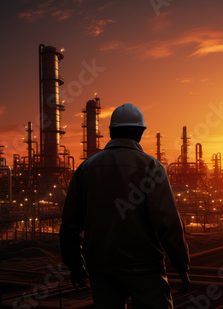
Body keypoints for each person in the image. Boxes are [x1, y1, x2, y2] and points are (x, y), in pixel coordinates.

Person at [60, 103, 190, 308]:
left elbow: (69, 225)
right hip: (144, 267)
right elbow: (168, 222)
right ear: (140, 132)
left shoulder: (85, 168)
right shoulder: (151, 166)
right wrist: (181, 265)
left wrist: (75, 265)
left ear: (111, 132)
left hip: (101, 267)